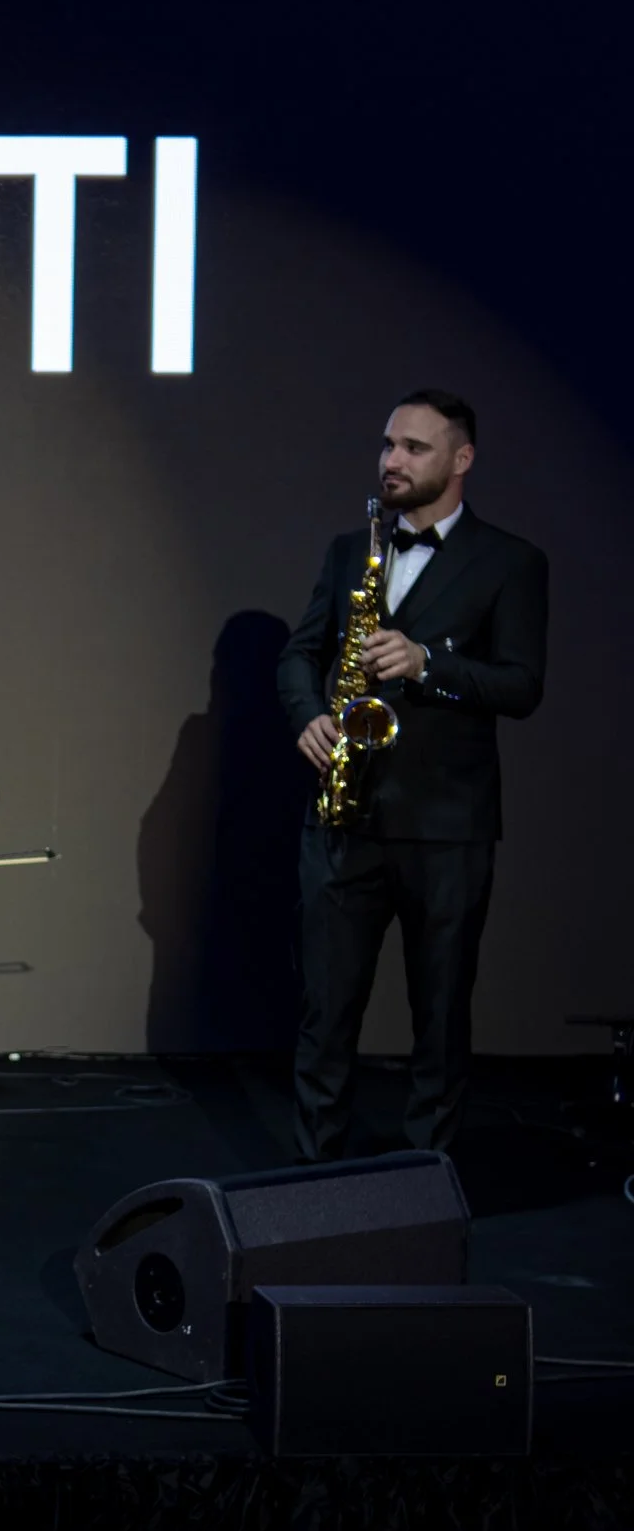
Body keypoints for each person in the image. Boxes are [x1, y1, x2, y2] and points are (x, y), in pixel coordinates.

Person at [277, 391, 548, 1158]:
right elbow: (299, 651)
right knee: (324, 1017)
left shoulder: (512, 562)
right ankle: (313, 1187)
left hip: (445, 828)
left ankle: (427, 1188)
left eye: (415, 448)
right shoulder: (347, 550)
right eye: (389, 445)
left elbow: (523, 687)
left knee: (440, 1016)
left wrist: (432, 665)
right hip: (343, 819)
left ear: (461, 460)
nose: (393, 461)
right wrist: (307, 715)